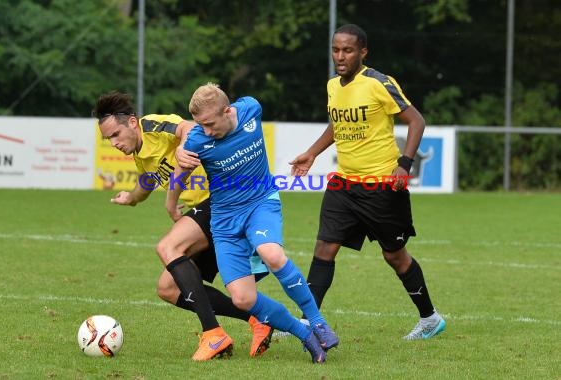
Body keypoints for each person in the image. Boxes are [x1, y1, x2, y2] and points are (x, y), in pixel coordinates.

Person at [289, 24, 446, 340]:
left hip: (382, 187)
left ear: (363, 52)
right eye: (336, 49)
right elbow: (337, 124)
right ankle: (308, 321)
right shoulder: (334, 86)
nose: (340, 56)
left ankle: (430, 319)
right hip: (344, 184)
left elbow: (416, 120)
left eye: (347, 50)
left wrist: (404, 165)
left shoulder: (378, 83)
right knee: (324, 247)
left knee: (395, 256)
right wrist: (312, 153)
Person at [92, 91, 273, 360]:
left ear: (132, 122)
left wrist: (181, 147)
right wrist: (130, 198)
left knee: (167, 246)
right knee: (168, 288)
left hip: (221, 199)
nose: (114, 143)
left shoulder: (152, 125)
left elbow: (188, 127)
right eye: (109, 140)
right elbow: (147, 181)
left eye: (116, 134)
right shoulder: (141, 154)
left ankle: (213, 335)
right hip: (207, 211)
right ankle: (259, 319)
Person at [168, 83, 339, 363]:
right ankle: (305, 334)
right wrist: (171, 201)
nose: (207, 130)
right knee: (242, 299)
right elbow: (182, 167)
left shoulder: (251, 108)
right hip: (224, 221)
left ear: (228, 111)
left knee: (271, 253)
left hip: (261, 202)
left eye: (210, 123)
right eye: (201, 125)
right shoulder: (198, 139)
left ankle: (317, 321)